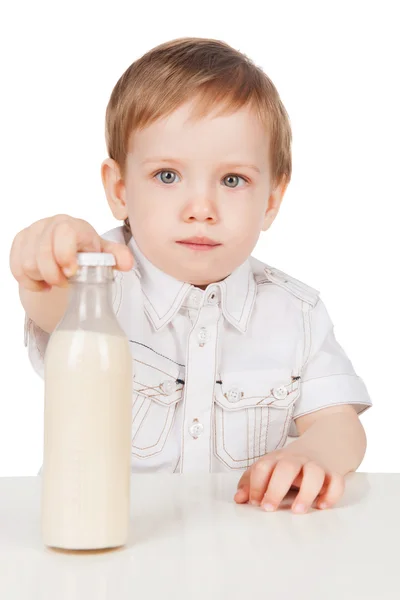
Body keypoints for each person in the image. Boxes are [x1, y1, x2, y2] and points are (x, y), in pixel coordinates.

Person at [9, 37, 372, 514]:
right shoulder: (98, 285)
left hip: (241, 550)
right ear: (120, 190)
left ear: (270, 201)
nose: (201, 209)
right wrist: (46, 258)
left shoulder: (296, 313)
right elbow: (52, 304)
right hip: (109, 543)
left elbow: (339, 422)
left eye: (232, 180)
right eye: (167, 176)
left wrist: (314, 453)